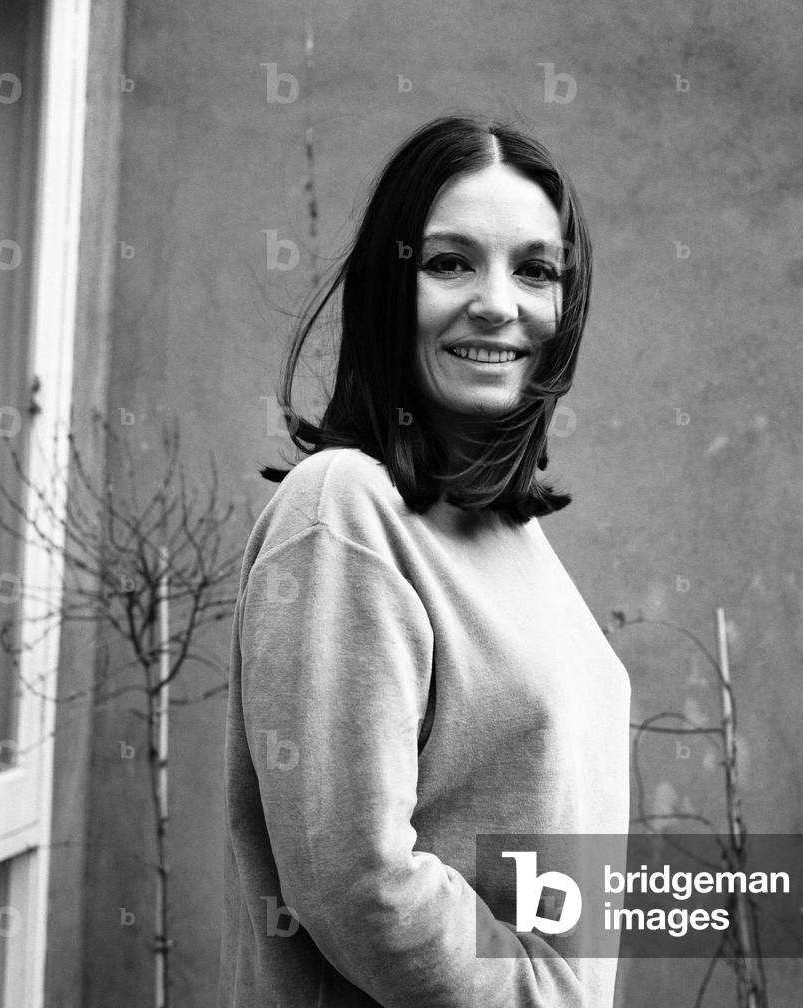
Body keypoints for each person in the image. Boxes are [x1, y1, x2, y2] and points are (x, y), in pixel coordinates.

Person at [217, 113, 631, 1008]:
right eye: (450, 262)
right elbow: (359, 882)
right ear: (386, 289)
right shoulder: (345, 510)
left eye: (535, 268)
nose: (496, 301)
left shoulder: (510, 536)